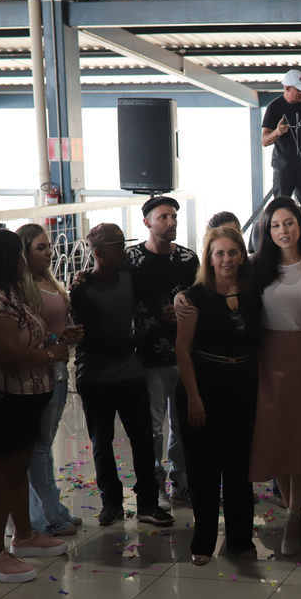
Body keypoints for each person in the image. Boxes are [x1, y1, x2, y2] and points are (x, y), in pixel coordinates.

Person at [0, 229, 72, 582]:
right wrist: (50, 354)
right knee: (2, 473)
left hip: (20, 397)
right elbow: (5, 353)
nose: (25, 260)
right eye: (20, 253)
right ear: (8, 258)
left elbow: (26, 337)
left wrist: (52, 343)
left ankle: (24, 535)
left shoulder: (9, 294)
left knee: (17, 468)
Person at [71, 223, 174, 529]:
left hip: (130, 373)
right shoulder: (83, 290)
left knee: (142, 440)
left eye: (123, 246)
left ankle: (148, 503)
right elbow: (91, 342)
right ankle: (111, 502)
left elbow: (157, 282)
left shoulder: (130, 275)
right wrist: (132, 342)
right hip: (95, 377)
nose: (123, 253)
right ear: (98, 253)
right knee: (102, 442)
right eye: (117, 248)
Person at [247, 198, 301, 555]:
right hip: (271, 356)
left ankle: (293, 520)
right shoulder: (256, 266)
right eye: (275, 225)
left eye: (289, 223)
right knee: (277, 436)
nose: (283, 231)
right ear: (267, 231)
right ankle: (296, 517)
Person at [175, 227, 261, 566]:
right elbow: (183, 351)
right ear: (209, 259)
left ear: (242, 256)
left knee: (240, 468)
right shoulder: (193, 297)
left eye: (233, 252)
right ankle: (203, 541)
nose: (227, 259)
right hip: (204, 386)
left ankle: (240, 539)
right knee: (204, 470)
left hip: (243, 386)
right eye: (219, 253)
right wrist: (194, 397)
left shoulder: (253, 292)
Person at [127, 195, 199, 509]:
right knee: (153, 426)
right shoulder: (132, 259)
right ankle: (155, 484)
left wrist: (183, 312)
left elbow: (199, 298)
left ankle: (181, 481)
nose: (171, 223)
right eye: (163, 217)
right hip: (148, 355)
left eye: (174, 217)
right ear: (147, 222)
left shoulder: (187, 259)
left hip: (183, 352)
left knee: (183, 423)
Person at [18, 223, 82, 538]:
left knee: (46, 443)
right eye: (40, 248)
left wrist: (67, 335)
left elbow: (56, 323)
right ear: (24, 252)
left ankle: (53, 509)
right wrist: (56, 340)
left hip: (57, 366)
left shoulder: (49, 280)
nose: (49, 253)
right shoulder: (22, 287)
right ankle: (44, 517)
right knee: (40, 446)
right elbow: (27, 335)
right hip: (39, 370)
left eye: (49, 247)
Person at [263, 69, 301, 212]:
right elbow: (264, 140)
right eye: (299, 90)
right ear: (287, 88)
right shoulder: (274, 107)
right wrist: (277, 132)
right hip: (283, 167)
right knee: (281, 209)